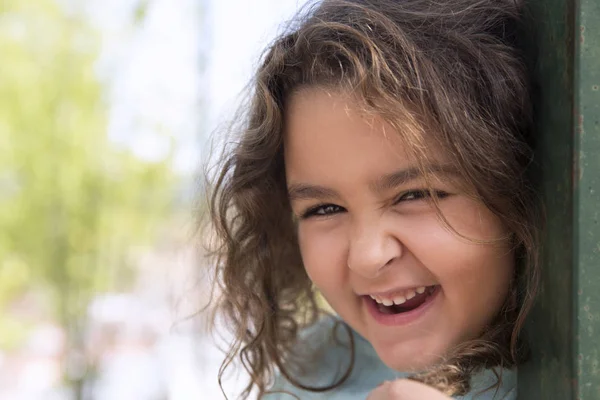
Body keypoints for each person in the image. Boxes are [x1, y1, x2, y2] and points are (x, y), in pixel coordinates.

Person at [205, 0, 541, 398]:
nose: (367, 256)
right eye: (323, 209)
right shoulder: (315, 370)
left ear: (514, 183)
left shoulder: (565, 372)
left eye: (415, 194)